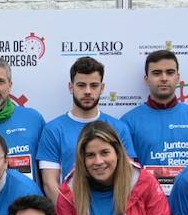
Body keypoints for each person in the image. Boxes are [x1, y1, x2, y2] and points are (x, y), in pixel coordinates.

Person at [38, 57, 133, 203]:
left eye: (94, 85)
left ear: (102, 88)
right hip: (71, 214)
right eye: (81, 85)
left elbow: (127, 178)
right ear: (71, 87)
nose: (88, 91)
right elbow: (50, 184)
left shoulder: (119, 128)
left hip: (113, 213)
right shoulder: (53, 130)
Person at [121, 50, 188, 196]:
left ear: (178, 77)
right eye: (157, 73)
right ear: (146, 79)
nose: (164, 78)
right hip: (145, 206)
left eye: (170, 72)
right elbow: (125, 173)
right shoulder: (127, 122)